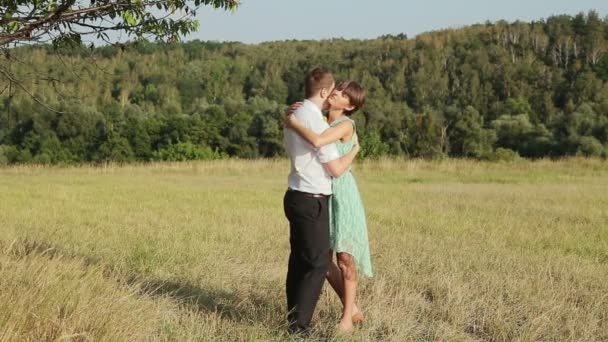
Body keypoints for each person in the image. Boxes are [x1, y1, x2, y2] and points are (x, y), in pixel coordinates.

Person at [285, 80, 373, 333]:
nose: (337, 93)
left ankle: (347, 319)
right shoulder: (322, 119)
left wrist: (294, 123)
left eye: (345, 94)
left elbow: (319, 141)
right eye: (338, 88)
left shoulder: (345, 124)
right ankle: (353, 308)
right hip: (325, 193)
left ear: (351, 106)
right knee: (321, 257)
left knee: (344, 258)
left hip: (343, 193)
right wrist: (293, 115)